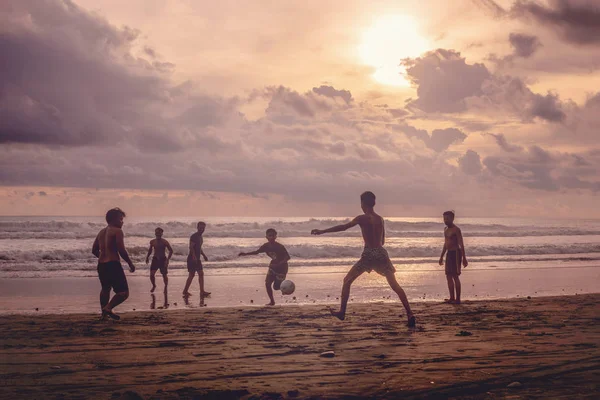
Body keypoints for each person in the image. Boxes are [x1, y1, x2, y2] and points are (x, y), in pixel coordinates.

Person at [311, 191, 416, 327]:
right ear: (374, 203)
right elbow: (382, 241)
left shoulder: (362, 218)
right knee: (395, 285)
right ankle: (410, 313)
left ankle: (342, 312)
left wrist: (322, 231)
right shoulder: (380, 219)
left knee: (347, 280)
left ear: (363, 204)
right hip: (382, 254)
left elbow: (343, 227)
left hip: (368, 255)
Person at [92, 208, 136, 320]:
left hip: (102, 265)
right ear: (114, 219)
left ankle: (104, 314)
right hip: (113, 264)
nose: (122, 222)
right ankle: (108, 308)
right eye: (121, 219)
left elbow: (94, 250)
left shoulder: (101, 232)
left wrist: (103, 256)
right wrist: (130, 263)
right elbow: (121, 249)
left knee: (105, 288)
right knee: (124, 292)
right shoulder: (117, 231)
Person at [239, 228, 291, 306]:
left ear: (276, 236)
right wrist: (245, 254)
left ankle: (287, 288)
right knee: (267, 283)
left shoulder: (280, 246)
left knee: (276, 287)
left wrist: (280, 263)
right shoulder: (266, 246)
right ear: (266, 237)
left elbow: (287, 257)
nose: (271, 237)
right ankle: (272, 301)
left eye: (273, 235)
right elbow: (257, 252)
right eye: (269, 236)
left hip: (282, 268)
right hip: (272, 267)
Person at [439, 211, 468, 304]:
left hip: (456, 254)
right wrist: (441, 256)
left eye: (447, 218)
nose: (445, 220)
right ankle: (452, 297)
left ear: (452, 219)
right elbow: (445, 244)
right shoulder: (445, 229)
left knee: (455, 276)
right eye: (444, 218)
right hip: (449, 253)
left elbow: (461, 244)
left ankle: (458, 299)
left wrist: (464, 258)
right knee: (448, 276)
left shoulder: (456, 230)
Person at [183, 222, 210, 297]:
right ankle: (185, 291)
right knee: (192, 275)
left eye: (203, 228)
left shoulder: (200, 237)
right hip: (192, 259)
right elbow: (191, 247)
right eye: (200, 227)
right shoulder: (194, 236)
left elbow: (199, 248)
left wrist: (204, 255)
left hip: (197, 259)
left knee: (200, 274)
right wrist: (194, 256)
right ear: (197, 227)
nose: (202, 229)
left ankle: (201, 291)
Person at [145, 227, 173, 293]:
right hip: (155, 259)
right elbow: (150, 250)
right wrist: (147, 257)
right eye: (156, 232)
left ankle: (166, 286)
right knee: (151, 274)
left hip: (163, 259)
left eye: (159, 233)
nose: (158, 234)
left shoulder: (165, 242)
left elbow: (171, 251)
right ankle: (154, 285)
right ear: (155, 233)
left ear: (162, 233)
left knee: (164, 274)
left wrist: (167, 260)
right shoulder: (152, 241)